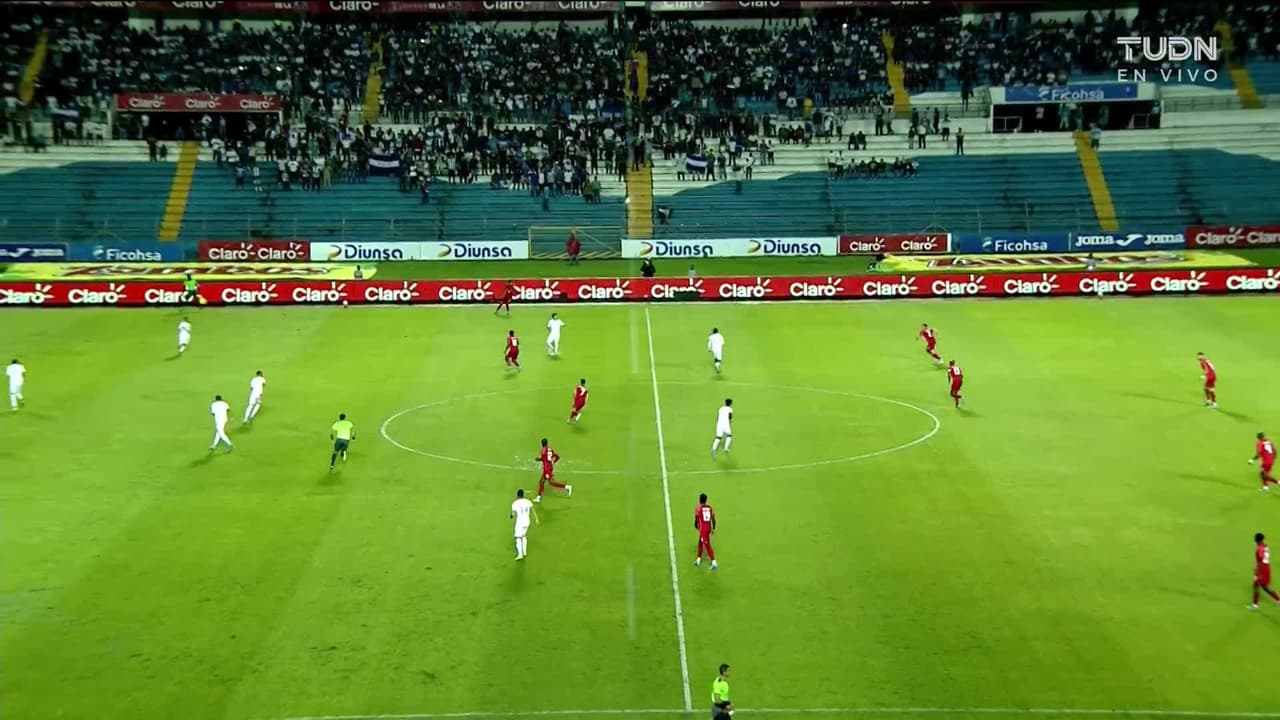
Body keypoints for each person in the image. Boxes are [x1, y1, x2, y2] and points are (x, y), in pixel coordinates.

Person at [535, 437, 571, 502]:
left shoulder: (543, 451)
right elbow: (557, 457)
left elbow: (543, 459)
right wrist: (553, 462)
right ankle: (538, 497)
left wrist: (538, 459)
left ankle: (567, 487)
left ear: (542, 444)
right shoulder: (550, 449)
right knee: (541, 481)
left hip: (547, 469)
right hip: (549, 467)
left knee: (551, 482)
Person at [1250, 532, 1279, 610]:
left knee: (1257, 585)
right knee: (1264, 586)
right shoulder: (1265, 546)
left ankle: (1255, 605)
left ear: (1256, 540)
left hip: (1262, 569)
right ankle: (1278, 599)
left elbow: (1260, 561)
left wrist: (1256, 574)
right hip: (1267, 567)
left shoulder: (1259, 548)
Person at [694, 492, 718, 570]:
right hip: (708, 528)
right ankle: (698, 559)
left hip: (703, 529)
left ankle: (714, 562)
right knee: (700, 542)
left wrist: (696, 525)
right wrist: (713, 528)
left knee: (707, 545)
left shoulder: (698, 508)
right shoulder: (710, 507)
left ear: (699, 500)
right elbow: (713, 519)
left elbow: (696, 518)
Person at [511, 488, 535, 561]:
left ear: (517, 495)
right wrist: (536, 519)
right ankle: (524, 552)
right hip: (527, 521)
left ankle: (520, 555)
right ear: (523, 495)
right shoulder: (528, 501)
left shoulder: (515, 503)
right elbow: (532, 509)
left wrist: (511, 515)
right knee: (524, 536)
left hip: (520, 522)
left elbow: (512, 514)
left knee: (518, 537)